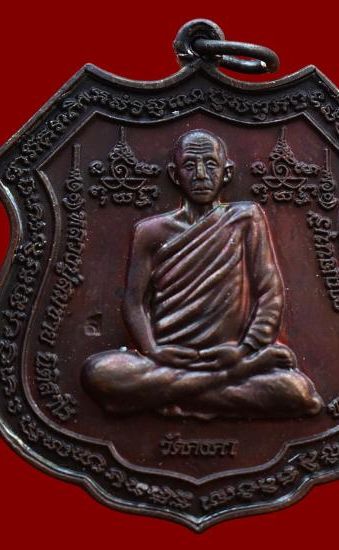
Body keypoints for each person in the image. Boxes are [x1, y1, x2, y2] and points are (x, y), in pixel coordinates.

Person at [82, 129, 323, 419]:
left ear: (227, 172)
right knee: (99, 373)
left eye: (210, 164)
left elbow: (269, 293)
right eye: (189, 165)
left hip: (230, 354)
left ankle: (154, 397)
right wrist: (152, 350)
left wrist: (245, 348)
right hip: (169, 359)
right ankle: (229, 378)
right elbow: (134, 301)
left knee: (296, 390)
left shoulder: (246, 218)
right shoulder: (150, 232)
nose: (200, 175)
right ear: (174, 175)